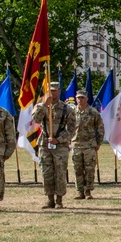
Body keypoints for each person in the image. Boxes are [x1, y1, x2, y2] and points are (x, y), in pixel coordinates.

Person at [32, 81, 77, 209]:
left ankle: (59, 200)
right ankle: (49, 199)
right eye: (50, 90)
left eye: (55, 90)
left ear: (59, 91)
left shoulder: (67, 109)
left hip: (60, 146)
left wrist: (59, 139)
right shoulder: (41, 106)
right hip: (45, 144)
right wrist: (44, 106)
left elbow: (72, 129)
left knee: (60, 173)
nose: (52, 93)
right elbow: (36, 120)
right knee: (46, 173)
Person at [71, 90, 104, 200]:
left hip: (89, 145)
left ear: (87, 99)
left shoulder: (93, 112)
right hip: (76, 145)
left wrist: (98, 143)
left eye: (82, 98)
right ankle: (80, 191)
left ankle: (88, 191)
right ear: (76, 99)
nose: (80, 100)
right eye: (78, 98)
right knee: (77, 169)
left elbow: (100, 128)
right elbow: (67, 128)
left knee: (89, 169)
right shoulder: (72, 112)